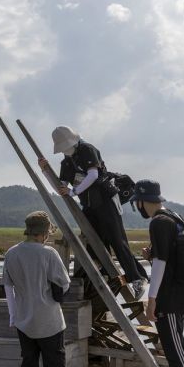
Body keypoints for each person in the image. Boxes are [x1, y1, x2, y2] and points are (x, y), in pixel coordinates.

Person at [40, 126, 147, 297]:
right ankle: (107, 275)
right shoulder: (66, 162)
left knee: (117, 241)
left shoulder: (87, 150)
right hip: (88, 205)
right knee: (94, 242)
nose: (64, 151)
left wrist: (73, 192)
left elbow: (93, 175)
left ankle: (138, 278)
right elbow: (61, 188)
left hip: (106, 201)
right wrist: (45, 171)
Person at [131, 179, 184, 367]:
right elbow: (165, 259)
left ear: (141, 201)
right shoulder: (173, 217)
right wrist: (153, 258)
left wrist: (152, 298)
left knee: (176, 350)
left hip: (169, 296)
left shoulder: (159, 223)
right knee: (173, 347)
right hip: (178, 292)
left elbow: (162, 263)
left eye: (137, 203)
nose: (137, 207)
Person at [2, 211, 71, 367]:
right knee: (54, 365)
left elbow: (7, 287)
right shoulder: (49, 253)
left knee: (29, 365)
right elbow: (64, 283)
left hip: (24, 319)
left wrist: (13, 316)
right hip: (49, 318)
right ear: (43, 233)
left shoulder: (11, 254)